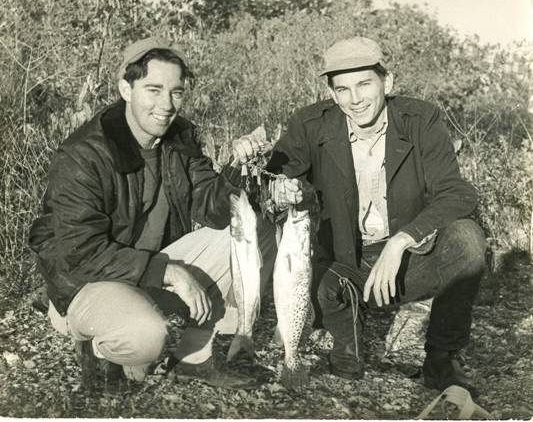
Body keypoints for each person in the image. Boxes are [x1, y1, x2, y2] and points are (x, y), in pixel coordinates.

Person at [29, 36, 280, 389]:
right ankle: (98, 346)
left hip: (147, 272)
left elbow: (215, 212)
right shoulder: (83, 154)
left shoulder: (178, 138)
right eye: (154, 90)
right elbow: (81, 253)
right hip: (87, 281)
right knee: (144, 338)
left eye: (176, 92)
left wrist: (237, 169)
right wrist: (169, 272)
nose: (166, 104)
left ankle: (194, 358)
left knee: (254, 230)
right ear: (126, 89)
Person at [268, 36, 486, 395]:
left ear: (388, 81)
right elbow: (272, 174)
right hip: (344, 263)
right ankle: (346, 339)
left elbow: (457, 193)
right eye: (343, 89)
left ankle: (441, 359)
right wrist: (278, 187)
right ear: (332, 93)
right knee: (320, 296)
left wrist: (401, 241)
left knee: (467, 239)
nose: (355, 99)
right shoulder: (310, 124)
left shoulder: (422, 119)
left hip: (406, 263)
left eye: (365, 84)